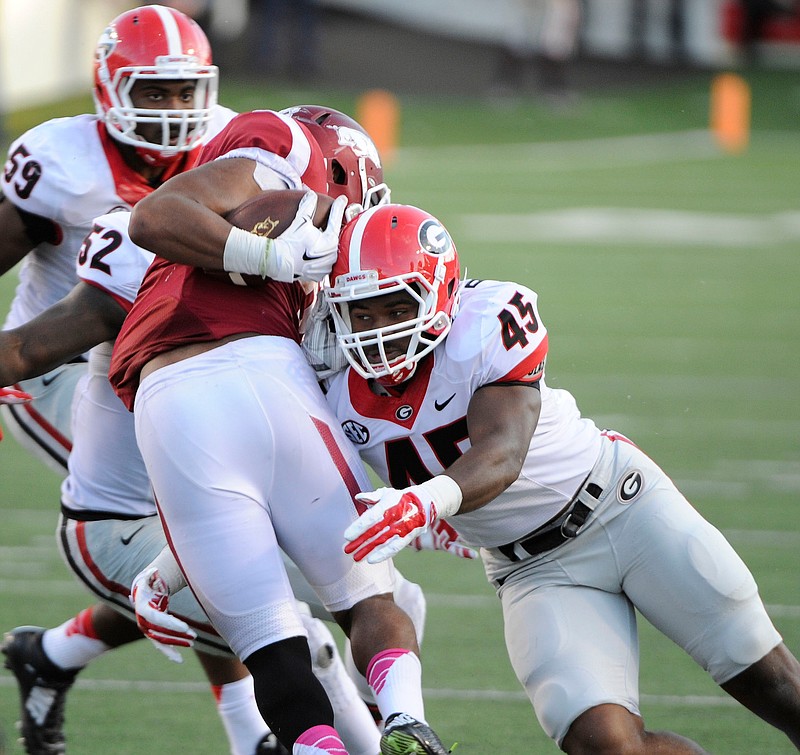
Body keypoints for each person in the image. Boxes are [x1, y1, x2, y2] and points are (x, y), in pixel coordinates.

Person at [1, 105, 433, 755]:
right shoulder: (226, 212)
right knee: (311, 636)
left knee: (367, 602)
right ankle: (352, 736)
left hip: (193, 462)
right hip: (114, 515)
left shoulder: (296, 260)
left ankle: (53, 654)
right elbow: (22, 354)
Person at [315, 203, 800, 753]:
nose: (380, 331)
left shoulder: (485, 322)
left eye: (397, 306)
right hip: (532, 569)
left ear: (442, 291)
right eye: (362, 312)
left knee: (774, 684)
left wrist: (424, 504)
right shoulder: (327, 384)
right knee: (606, 745)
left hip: (622, 509)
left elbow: (502, 452)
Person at [0, 3, 235, 474]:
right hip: (55, 362)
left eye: (186, 93)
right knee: (178, 478)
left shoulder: (229, 144)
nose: (174, 111)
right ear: (111, 90)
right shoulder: (64, 166)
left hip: (172, 361)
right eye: (154, 93)